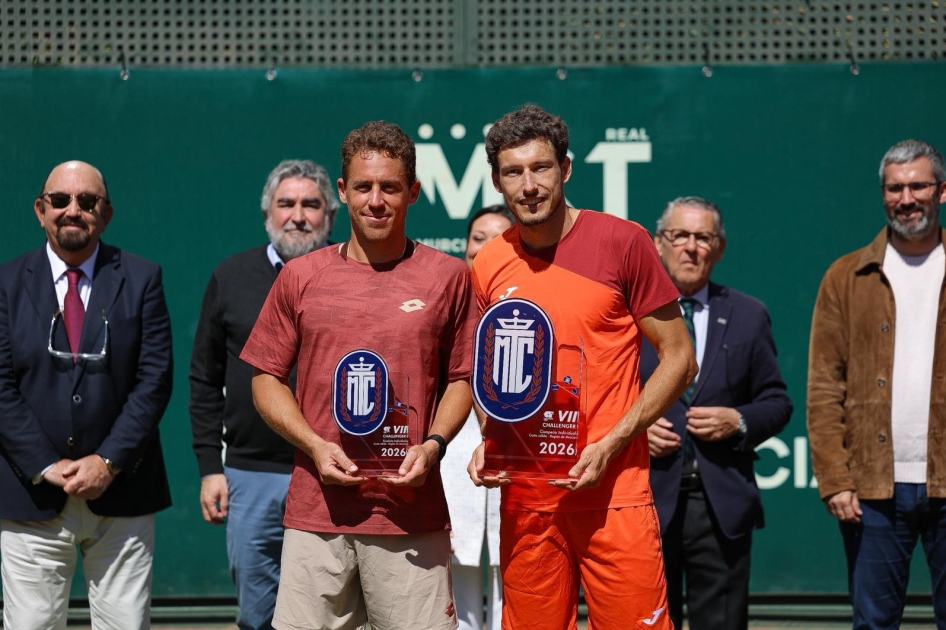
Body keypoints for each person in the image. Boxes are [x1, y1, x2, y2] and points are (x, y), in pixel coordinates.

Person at [468, 104, 697, 630]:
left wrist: (612, 442)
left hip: (614, 494)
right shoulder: (487, 263)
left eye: (541, 168)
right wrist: (489, 437)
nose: (529, 186)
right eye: (513, 172)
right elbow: (486, 376)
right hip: (526, 501)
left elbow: (680, 359)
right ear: (497, 181)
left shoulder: (623, 242)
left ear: (566, 169)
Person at [241, 120, 477, 630]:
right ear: (343, 191)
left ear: (413, 192)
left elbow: (463, 378)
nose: (376, 201)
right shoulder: (300, 277)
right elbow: (265, 377)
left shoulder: (450, 276)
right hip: (317, 515)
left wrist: (433, 445)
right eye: (364, 187)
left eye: (390, 187)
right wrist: (313, 445)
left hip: (410, 515)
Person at [0, 160, 173, 629]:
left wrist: (107, 461)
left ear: (106, 213)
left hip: (123, 492)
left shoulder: (142, 278)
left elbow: (154, 380)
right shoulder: (7, 284)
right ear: (40, 210)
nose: (73, 210)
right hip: (31, 495)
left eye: (87, 201)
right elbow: (1, 386)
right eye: (60, 200)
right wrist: (44, 464)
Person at [189, 160, 338, 630]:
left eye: (311, 204)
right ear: (267, 213)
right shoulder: (231, 275)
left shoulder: (351, 276)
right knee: (258, 615)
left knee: (330, 612)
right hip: (250, 475)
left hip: (332, 472)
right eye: (286, 204)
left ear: (330, 215)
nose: (298, 216)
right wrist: (210, 468)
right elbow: (204, 378)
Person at [808, 138, 946, 628]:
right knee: (873, 622)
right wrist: (835, 479)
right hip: (873, 489)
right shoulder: (847, 276)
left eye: (918, 186)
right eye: (894, 188)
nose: (906, 199)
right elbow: (824, 386)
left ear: (942, 191)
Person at [643, 196, 793, 630]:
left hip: (719, 505)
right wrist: (633, 430)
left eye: (703, 238)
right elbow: (596, 398)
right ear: (659, 243)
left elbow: (776, 402)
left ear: (720, 248)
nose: (691, 247)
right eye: (680, 236)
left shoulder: (748, 314)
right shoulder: (629, 313)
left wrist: (738, 421)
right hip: (646, 499)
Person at [442, 204, 515, 630]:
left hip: (516, 466)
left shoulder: (532, 309)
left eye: (499, 238)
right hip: (451, 467)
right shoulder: (442, 307)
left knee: (516, 587)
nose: (486, 248)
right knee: (456, 598)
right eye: (478, 238)